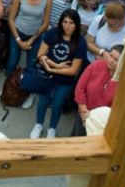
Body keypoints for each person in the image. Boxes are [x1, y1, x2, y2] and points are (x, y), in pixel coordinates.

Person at [30, 9, 87, 139]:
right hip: (46, 76)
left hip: (64, 81)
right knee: (43, 101)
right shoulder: (52, 33)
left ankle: (52, 128)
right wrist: (55, 65)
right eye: (65, 22)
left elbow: (73, 70)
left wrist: (52, 69)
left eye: (71, 23)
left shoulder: (81, 43)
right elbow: (40, 54)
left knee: (57, 104)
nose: (67, 26)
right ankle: (38, 124)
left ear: (76, 24)